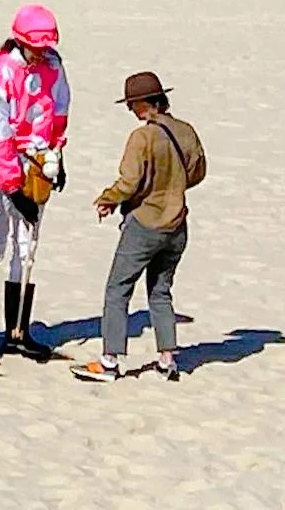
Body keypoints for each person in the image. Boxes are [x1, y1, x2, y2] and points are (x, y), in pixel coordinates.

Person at [71, 72, 206, 383]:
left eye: (132, 105)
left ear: (144, 104)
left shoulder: (142, 137)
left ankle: (110, 361)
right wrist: (171, 186)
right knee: (161, 291)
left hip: (146, 223)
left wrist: (108, 199)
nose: (131, 110)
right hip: (178, 223)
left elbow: (129, 182)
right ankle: (167, 360)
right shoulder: (185, 131)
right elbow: (198, 173)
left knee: (118, 289)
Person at [0, 4, 71, 368]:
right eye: (35, 45)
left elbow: (58, 112)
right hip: (1, 165)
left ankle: (17, 331)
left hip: (38, 161)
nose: (42, 51)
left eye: (45, 45)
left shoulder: (53, 66)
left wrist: (56, 157)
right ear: (21, 40)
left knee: (27, 247)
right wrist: (12, 188)